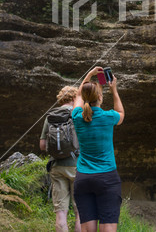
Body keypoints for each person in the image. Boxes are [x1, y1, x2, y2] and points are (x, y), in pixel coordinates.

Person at [72, 66, 124, 232]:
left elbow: (79, 95)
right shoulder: (109, 116)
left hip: (83, 178)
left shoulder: (77, 117)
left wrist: (89, 75)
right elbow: (121, 113)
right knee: (108, 228)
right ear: (100, 97)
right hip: (107, 177)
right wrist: (114, 89)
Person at [40, 86, 81, 232]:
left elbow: (42, 145)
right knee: (80, 213)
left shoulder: (50, 116)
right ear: (74, 98)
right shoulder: (77, 114)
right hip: (77, 167)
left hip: (57, 167)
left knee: (61, 214)